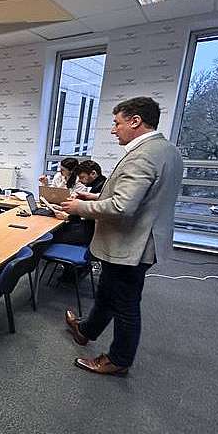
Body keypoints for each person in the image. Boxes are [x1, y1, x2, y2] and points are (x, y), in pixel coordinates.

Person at [61, 97, 183, 375]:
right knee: (107, 291)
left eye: (117, 123)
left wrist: (81, 207)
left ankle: (118, 360)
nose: (113, 129)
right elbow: (145, 198)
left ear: (135, 121)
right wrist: (95, 197)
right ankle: (85, 330)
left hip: (131, 245)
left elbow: (122, 207)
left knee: (125, 304)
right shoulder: (168, 150)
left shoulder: (142, 155)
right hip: (143, 239)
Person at [51, 160, 108, 246]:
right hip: (89, 229)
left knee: (52, 235)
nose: (80, 181)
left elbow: (91, 215)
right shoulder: (100, 185)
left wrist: (68, 217)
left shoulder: (100, 188)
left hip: (89, 232)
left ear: (93, 173)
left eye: (82, 177)